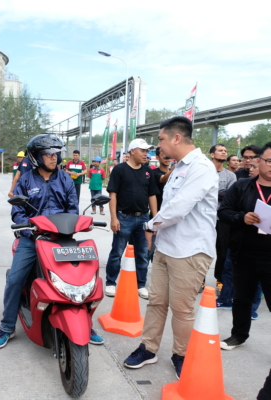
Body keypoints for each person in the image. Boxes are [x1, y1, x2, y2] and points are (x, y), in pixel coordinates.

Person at [123, 116, 218, 380]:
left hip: (190, 250)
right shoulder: (178, 167)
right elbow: (168, 206)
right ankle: (148, 348)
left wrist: (149, 225)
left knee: (182, 308)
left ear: (177, 138)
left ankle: (181, 354)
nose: (158, 146)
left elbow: (179, 208)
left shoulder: (201, 167)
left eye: (161, 139)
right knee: (156, 302)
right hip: (166, 246)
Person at [0, 134, 103, 348]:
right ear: (36, 157)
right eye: (48, 154)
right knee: (15, 279)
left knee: (85, 279)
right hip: (33, 239)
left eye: (56, 154)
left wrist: (76, 224)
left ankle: (86, 324)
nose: (54, 158)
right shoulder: (25, 180)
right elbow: (18, 212)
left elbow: (72, 208)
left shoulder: (66, 179)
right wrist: (29, 228)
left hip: (63, 238)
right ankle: (7, 326)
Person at [218, 142, 271, 351]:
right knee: (241, 298)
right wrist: (242, 217)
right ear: (259, 160)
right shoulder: (241, 186)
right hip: (244, 253)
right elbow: (224, 211)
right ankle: (238, 335)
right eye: (269, 161)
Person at [105, 138, 158, 299]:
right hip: (124, 218)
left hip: (143, 219)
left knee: (143, 253)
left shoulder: (148, 172)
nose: (145, 154)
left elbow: (152, 195)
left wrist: (154, 219)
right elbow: (112, 194)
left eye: (147, 151)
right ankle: (110, 282)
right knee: (117, 252)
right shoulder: (119, 170)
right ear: (132, 151)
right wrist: (114, 218)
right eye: (143, 150)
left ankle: (140, 285)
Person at [205, 144, 236, 296]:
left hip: (222, 219)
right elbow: (200, 192)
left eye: (225, 151)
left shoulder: (231, 176)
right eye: (220, 150)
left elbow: (230, 197)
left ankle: (220, 280)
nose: (224, 153)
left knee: (222, 251)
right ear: (212, 154)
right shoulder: (204, 172)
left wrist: (211, 192)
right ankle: (199, 280)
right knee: (202, 250)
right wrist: (220, 193)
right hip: (205, 217)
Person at [148, 147, 175, 261]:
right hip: (157, 215)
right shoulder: (154, 173)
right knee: (150, 250)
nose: (167, 157)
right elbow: (163, 179)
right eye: (164, 155)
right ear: (157, 157)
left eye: (169, 155)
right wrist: (175, 168)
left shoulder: (177, 174)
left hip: (171, 217)